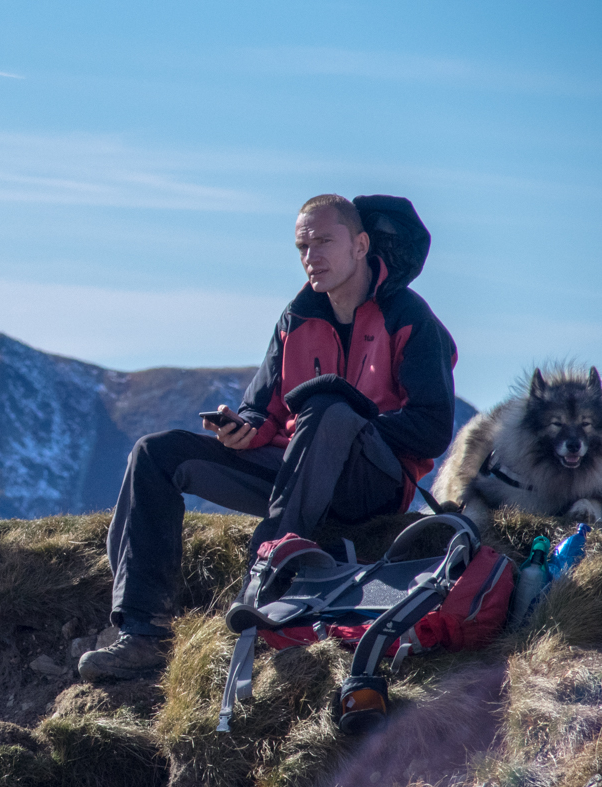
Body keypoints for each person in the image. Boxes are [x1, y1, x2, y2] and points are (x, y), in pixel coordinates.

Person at [78, 194, 457, 681]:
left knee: (327, 405)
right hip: (295, 474)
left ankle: (262, 582)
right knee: (155, 453)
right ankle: (143, 632)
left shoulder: (411, 319)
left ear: (361, 245)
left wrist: (351, 423)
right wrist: (244, 430)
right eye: (302, 245)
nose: (310, 256)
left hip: (372, 485)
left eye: (324, 241)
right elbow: (263, 408)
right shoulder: (296, 317)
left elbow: (431, 429)